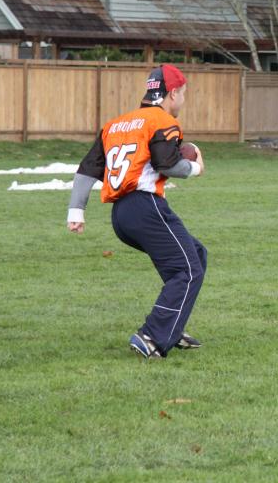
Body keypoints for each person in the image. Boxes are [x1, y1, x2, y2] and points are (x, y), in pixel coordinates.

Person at [67, 64, 207, 360]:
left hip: (122, 215)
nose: (183, 100)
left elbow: (87, 168)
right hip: (145, 207)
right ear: (172, 93)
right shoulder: (161, 120)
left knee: (195, 253)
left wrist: (76, 211)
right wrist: (196, 167)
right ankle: (152, 335)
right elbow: (167, 164)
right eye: (183, 94)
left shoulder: (116, 124)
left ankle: (171, 326)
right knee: (187, 269)